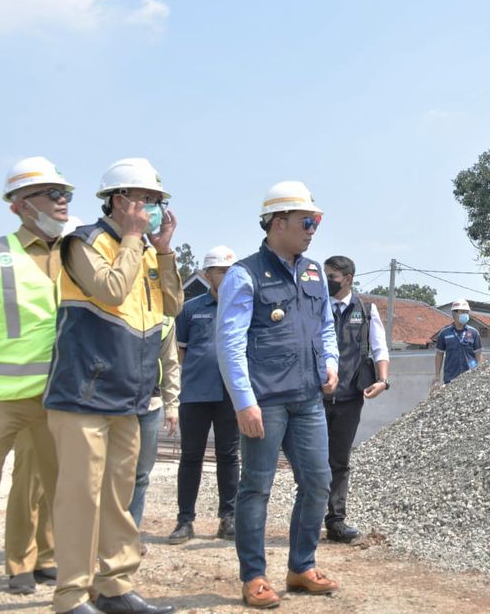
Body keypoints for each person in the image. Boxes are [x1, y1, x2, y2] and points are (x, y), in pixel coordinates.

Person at [44, 157, 181, 614]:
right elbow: (111, 290)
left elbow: (174, 306)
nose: (155, 210)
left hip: (131, 393)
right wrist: (132, 239)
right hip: (84, 392)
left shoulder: (142, 249)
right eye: (149, 201)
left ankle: (115, 586)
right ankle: (70, 596)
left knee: (119, 498)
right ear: (121, 200)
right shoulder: (82, 242)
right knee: (81, 496)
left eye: (159, 203)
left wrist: (162, 250)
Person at [215, 181, 340, 608]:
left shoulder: (314, 271)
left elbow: (325, 325)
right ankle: (254, 576)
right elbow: (229, 342)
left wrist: (331, 362)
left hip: (307, 399)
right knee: (256, 489)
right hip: (265, 401)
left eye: (316, 221)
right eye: (308, 221)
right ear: (278, 222)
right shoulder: (244, 274)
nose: (313, 228)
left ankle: (301, 566)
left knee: (319, 482)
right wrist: (243, 401)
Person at [0, 158, 73, 602]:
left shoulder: (76, 252)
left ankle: (50, 571)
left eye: (65, 194)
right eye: (52, 194)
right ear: (20, 206)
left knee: (57, 492)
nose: (63, 202)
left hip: (56, 395)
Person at [167, 245, 240, 545]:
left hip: (230, 396)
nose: (226, 275)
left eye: (230, 270)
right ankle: (185, 521)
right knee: (191, 457)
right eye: (221, 271)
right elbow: (179, 353)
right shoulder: (189, 309)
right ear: (208, 274)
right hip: (195, 394)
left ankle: (228, 518)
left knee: (228, 456)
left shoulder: (242, 307)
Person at [321, 256, 389, 544]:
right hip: (316, 396)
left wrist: (383, 381)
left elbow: (379, 347)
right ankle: (308, 519)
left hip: (350, 397)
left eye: (332, 276)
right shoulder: (317, 306)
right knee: (312, 460)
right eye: (325, 275)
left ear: (348, 278)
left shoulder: (366, 309)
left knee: (339, 460)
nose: (327, 281)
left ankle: (336, 521)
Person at [129, 315, 179, 543]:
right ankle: (106, 537)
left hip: (151, 403)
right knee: (111, 474)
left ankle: (129, 537)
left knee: (141, 475)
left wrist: (172, 406)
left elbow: (170, 363)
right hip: (116, 405)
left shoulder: (166, 319)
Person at [432, 299, 483, 387]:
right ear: (454, 314)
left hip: (470, 379)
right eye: (463, 312)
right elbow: (439, 355)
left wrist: (480, 373)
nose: (465, 315)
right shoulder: (444, 333)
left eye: (467, 312)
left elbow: (478, 355)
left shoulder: (474, 333)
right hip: (450, 378)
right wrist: (437, 375)